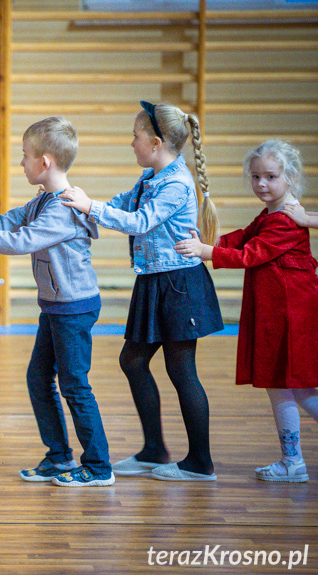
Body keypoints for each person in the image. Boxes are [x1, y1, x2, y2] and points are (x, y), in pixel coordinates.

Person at [0, 117, 112, 487]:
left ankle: (99, 467)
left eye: (24, 156)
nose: (21, 163)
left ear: (45, 162)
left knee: (75, 385)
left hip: (74, 307)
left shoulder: (62, 208)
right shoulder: (44, 200)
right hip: (56, 306)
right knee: (39, 377)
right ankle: (59, 456)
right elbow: (7, 222)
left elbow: (22, 241)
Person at [60, 101, 223, 482]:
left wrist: (92, 208)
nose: (131, 143)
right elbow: (124, 204)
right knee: (133, 362)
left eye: (135, 137)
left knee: (182, 372)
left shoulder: (176, 183)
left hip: (179, 284)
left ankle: (200, 463)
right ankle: (154, 449)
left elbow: (140, 221)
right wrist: (77, 203)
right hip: (154, 281)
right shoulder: (152, 176)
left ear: (154, 142)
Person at [175, 140, 318, 482]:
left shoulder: (285, 218)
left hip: (291, 314)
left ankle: (293, 461)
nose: (262, 184)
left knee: (299, 388)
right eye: (256, 177)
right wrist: (212, 239)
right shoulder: (271, 214)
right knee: (281, 386)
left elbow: (250, 254)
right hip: (277, 311)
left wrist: (207, 251)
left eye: (270, 176)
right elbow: (244, 237)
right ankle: (292, 461)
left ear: (291, 177)